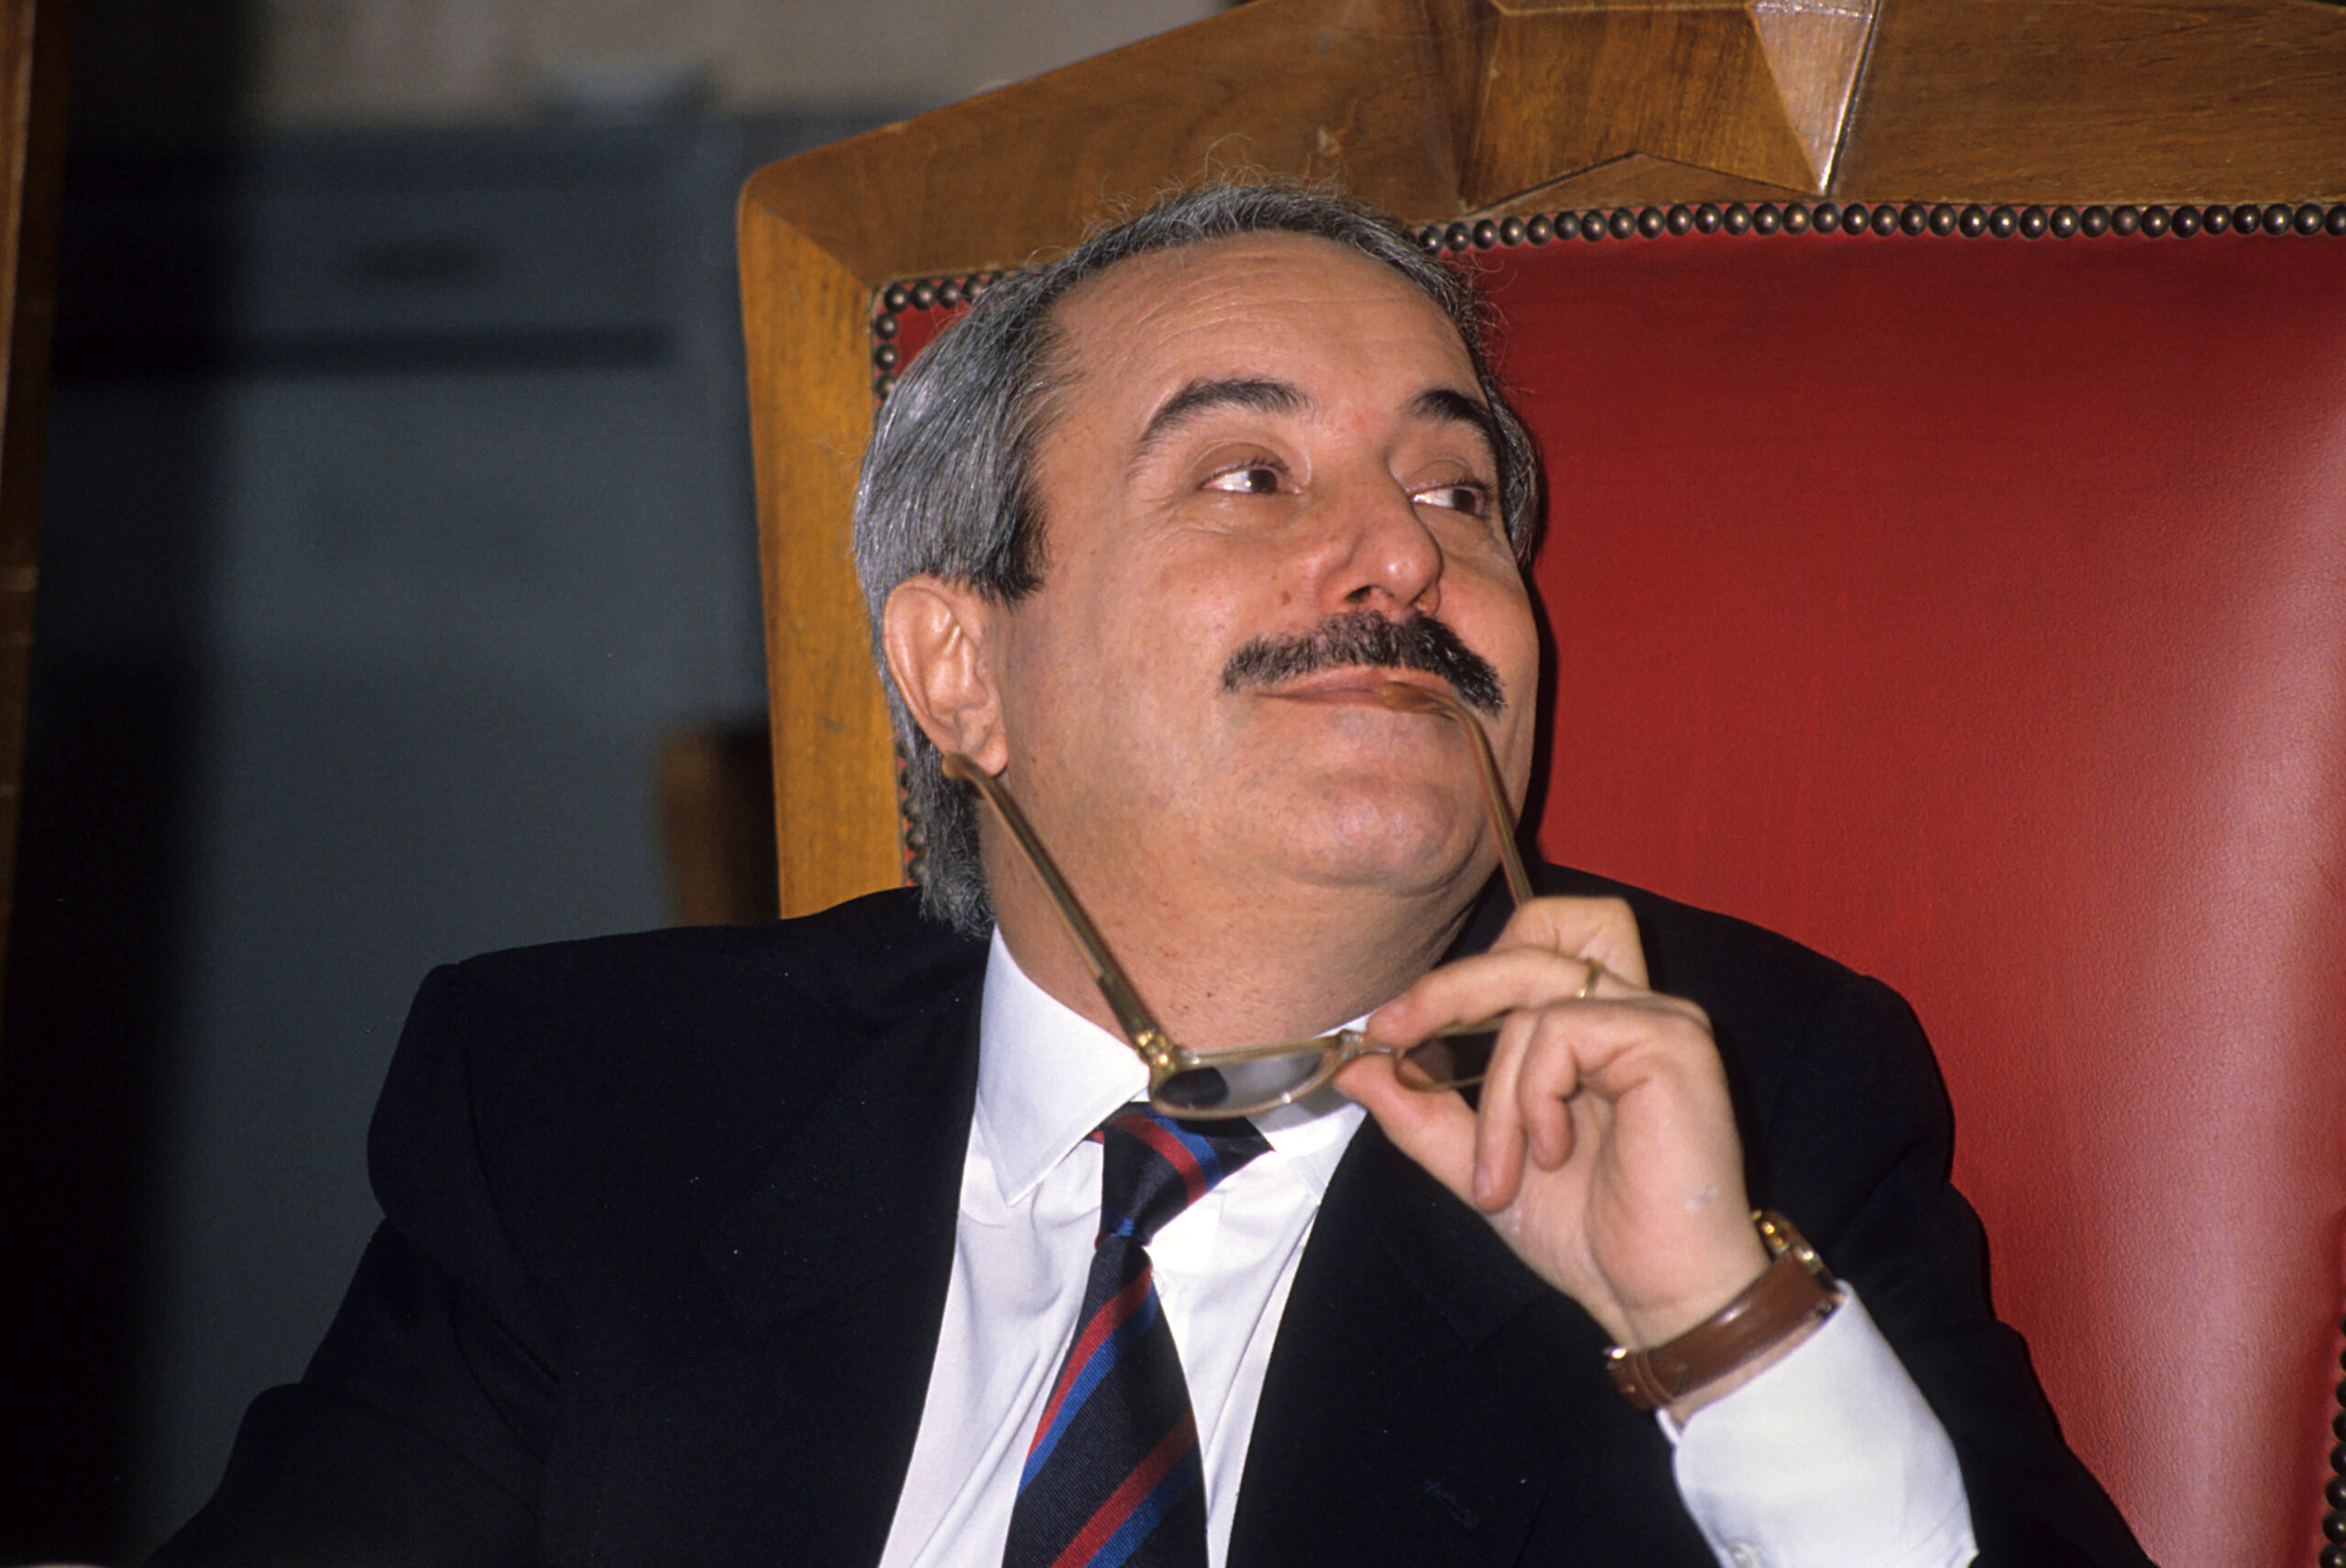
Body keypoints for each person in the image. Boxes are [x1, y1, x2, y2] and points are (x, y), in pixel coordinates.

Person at [155, 182, 2150, 1567]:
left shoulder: (1750, 1094)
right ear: (960, 668)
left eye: (1457, 489)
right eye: (1247, 476)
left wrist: (1715, 1325)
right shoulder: (597, 1105)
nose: (1403, 556)